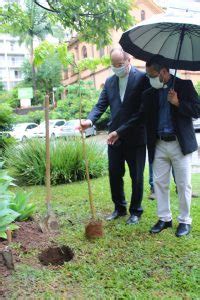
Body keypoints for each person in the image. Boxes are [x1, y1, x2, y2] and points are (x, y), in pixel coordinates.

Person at [107, 54, 200, 237]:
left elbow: (197, 110)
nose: (148, 78)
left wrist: (178, 103)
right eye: (147, 75)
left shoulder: (184, 86)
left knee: (183, 184)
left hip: (179, 144)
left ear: (164, 72)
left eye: (151, 75)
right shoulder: (149, 93)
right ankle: (164, 218)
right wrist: (119, 132)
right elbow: (139, 116)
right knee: (159, 184)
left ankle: (184, 221)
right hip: (158, 144)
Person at [79, 48, 149, 224]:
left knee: (137, 176)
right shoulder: (110, 82)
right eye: (113, 65)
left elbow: (142, 112)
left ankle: (135, 211)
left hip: (135, 137)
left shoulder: (142, 79)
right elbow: (100, 105)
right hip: (113, 138)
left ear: (128, 60)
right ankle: (119, 208)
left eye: (119, 64)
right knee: (114, 174)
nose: (116, 68)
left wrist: (120, 131)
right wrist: (89, 121)